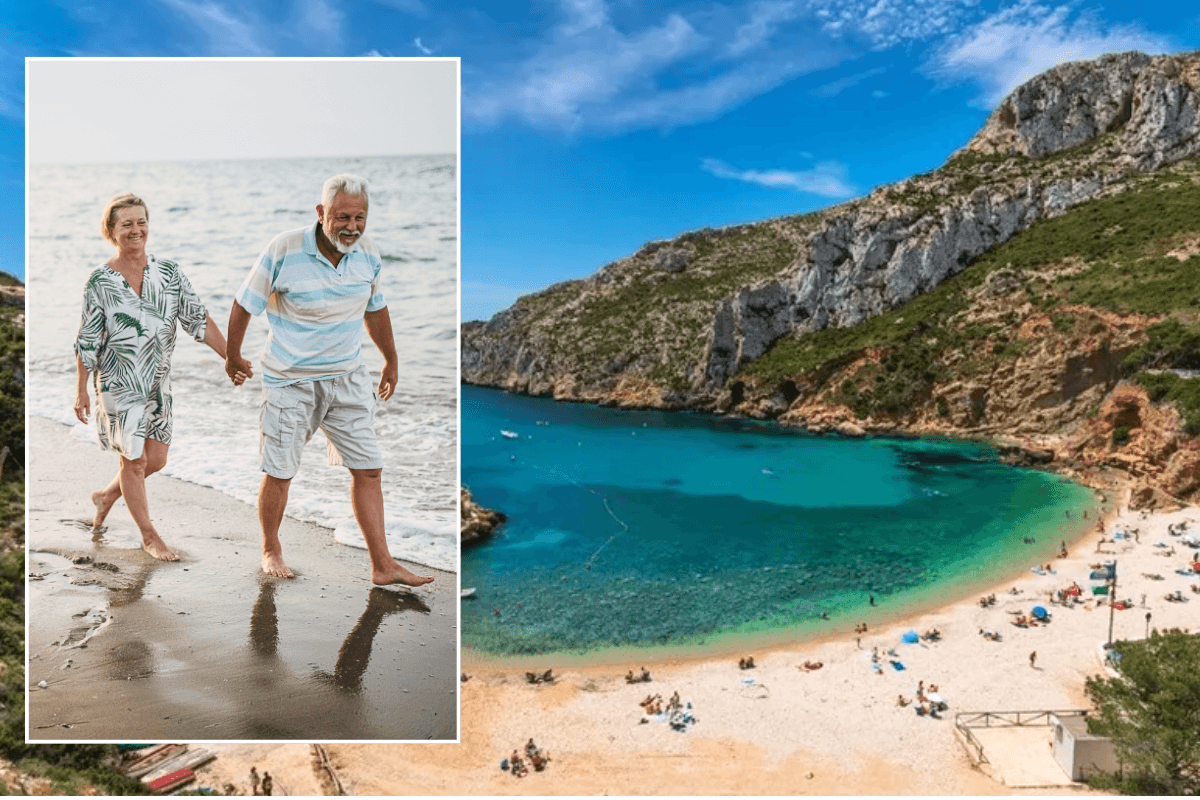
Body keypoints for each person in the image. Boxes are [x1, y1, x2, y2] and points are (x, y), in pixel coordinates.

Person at [225, 174, 434, 587]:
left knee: (369, 468)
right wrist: (233, 355)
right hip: (291, 381)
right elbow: (244, 303)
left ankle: (383, 565)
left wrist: (391, 359)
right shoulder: (284, 249)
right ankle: (271, 548)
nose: (351, 227)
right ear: (321, 213)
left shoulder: (368, 255)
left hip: (348, 379)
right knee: (281, 471)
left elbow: (376, 309)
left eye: (359, 218)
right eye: (342, 217)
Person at [75, 192, 240, 561]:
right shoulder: (99, 281)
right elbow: (87, 340)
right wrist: (81, 391)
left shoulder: (169, 273)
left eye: (141, 222)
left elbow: (197, 319)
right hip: (117, 383)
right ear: (112, 230)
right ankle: (149, 536)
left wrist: (231, 357)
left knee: (156, 459)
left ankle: (105, 497)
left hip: (158, 382)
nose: (136, 230)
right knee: (132, 461)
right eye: (127, 224)